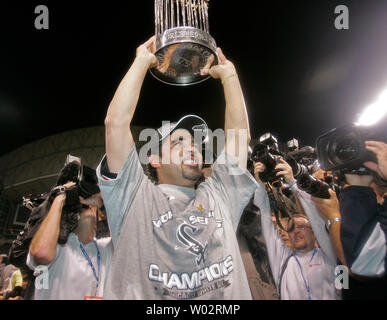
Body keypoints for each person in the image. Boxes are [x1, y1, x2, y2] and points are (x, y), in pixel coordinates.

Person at [97, 36, 257, 299]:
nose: (192, 147)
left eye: (194, 142)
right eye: (179, 141)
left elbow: (240, 135)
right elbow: (115, 123)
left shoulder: (220, 194)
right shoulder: (134, 197)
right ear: (154, 159)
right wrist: (141, 62)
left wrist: (230, 76)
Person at [253, 159, 340, 300]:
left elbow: (317, 221)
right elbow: (265, 219)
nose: (296, 231)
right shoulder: (284, 261)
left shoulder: (329, 256)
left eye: (302, 226)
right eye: (291, 228)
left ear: (314, 233)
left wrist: (293, 183)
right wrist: (260, 185)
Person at [27, 184, 113, 300]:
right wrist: (59, 197)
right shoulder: (58, 247)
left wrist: (102, 204)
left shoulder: (104, 248)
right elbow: (41, 254)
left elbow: (129, 235)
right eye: (83, 206)